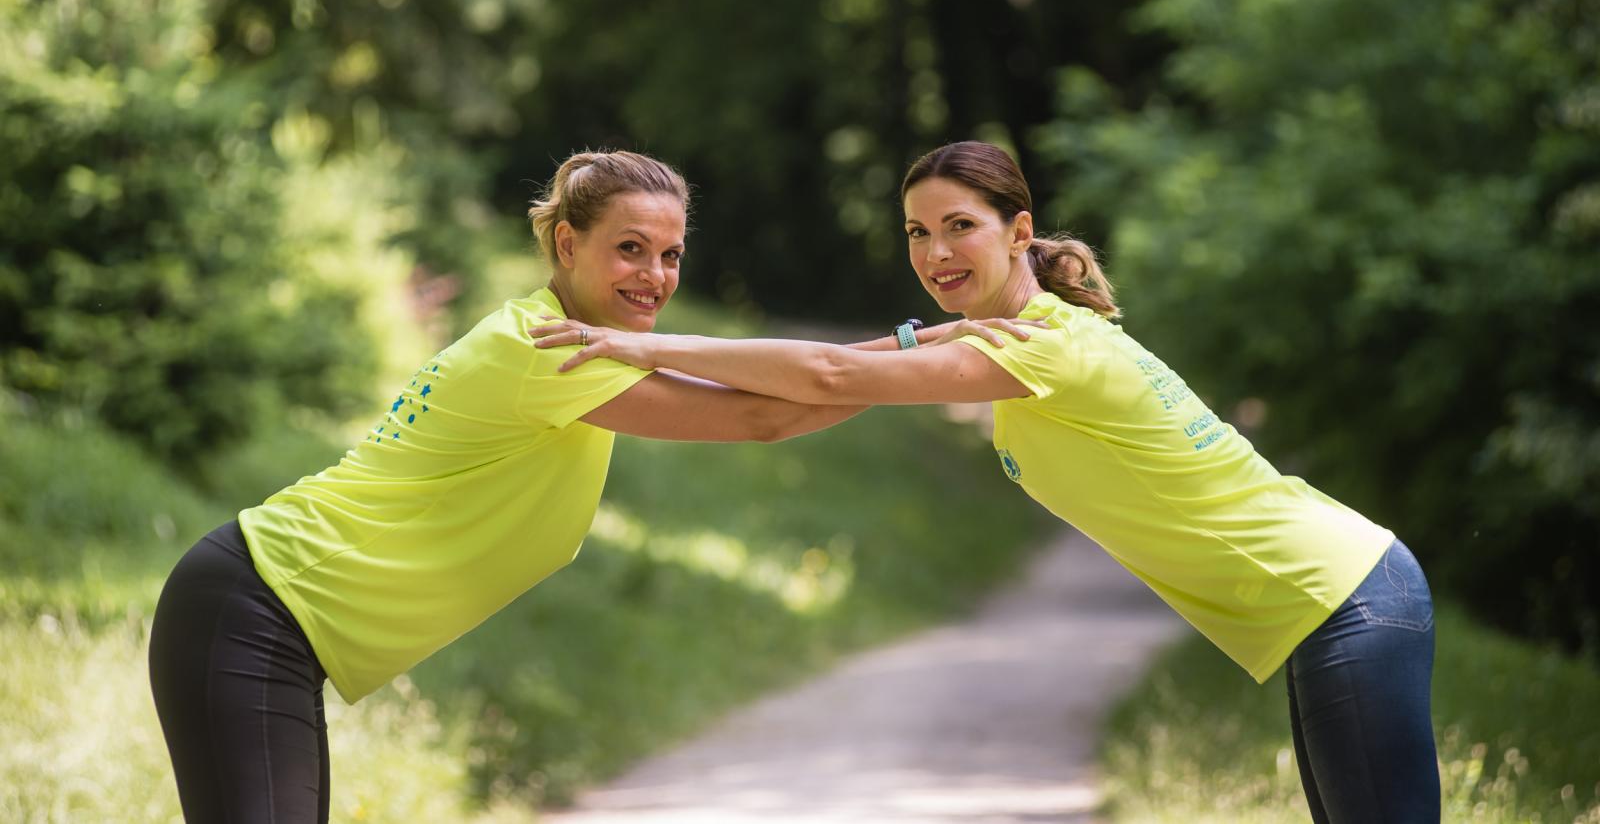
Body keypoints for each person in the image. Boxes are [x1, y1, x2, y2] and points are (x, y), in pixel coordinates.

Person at [533, 140, 1440, 824]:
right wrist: (661, 376)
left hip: (1343, 598)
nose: (935, 253)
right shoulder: (996, 336)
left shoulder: (1042, 347)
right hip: (1331, 604)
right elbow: (833, 366)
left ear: (1020, 233)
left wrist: (649, 342)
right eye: (918, 233)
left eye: (959, 226)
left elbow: (834, 380)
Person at [148, 148, 1016, 822]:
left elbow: (768, 392)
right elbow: (765, 416)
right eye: (628, 249)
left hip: (264, 619)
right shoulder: (547, 351)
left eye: (670, 254)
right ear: (568, 243)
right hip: (256, 611)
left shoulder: (570, 340)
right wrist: (932, 351)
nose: (654, 277)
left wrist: (920, 347)